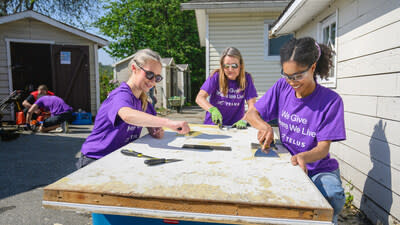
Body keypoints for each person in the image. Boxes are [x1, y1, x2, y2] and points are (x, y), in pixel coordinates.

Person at [244, 37, 346, 224]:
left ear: (313, 67)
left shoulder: (331, 101)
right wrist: (264, 126)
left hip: (316, 168)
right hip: (286, 162)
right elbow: (251, 114)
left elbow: (323, 149)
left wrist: (303, 157)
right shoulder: (282, 87)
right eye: (287, 75)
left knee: (333, 197)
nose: (292, 82)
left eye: (298, 76)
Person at [76, 49, 190, 169]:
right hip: (96, 159)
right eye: (149, 74)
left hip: (118, 158)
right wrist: (169, 123)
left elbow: (152, 124)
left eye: (157, 78)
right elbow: (127, 115)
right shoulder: (120, 95)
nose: (153, 81)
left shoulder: (143, 101)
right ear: (134, 68)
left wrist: (155, 130)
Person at [196, 47, 257, 128]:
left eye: (234, 65)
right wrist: (212, 109)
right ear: (222, 66)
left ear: (241, 66)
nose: (230, 69)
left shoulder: (246, 79)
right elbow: (199, 98)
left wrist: (245, 119)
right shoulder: (215, 76)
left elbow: (252, 105)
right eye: (226, 66)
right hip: (213, 126)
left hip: (235, 127)